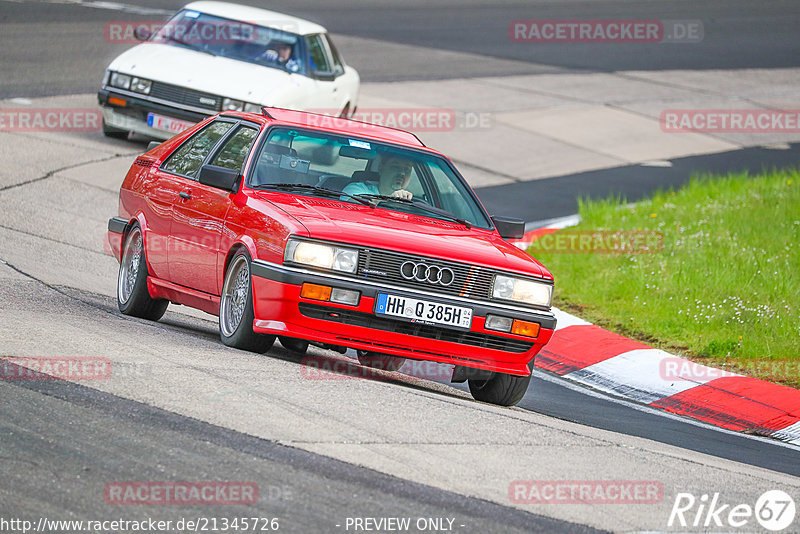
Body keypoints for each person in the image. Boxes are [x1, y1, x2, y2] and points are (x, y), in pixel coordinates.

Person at [342, 156, 414, 200]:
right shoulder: (357, 189)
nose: (402, 173)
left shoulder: (413, 204)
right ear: (381, 168)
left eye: (407, 169)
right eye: (395, 167)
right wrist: (390, 201)